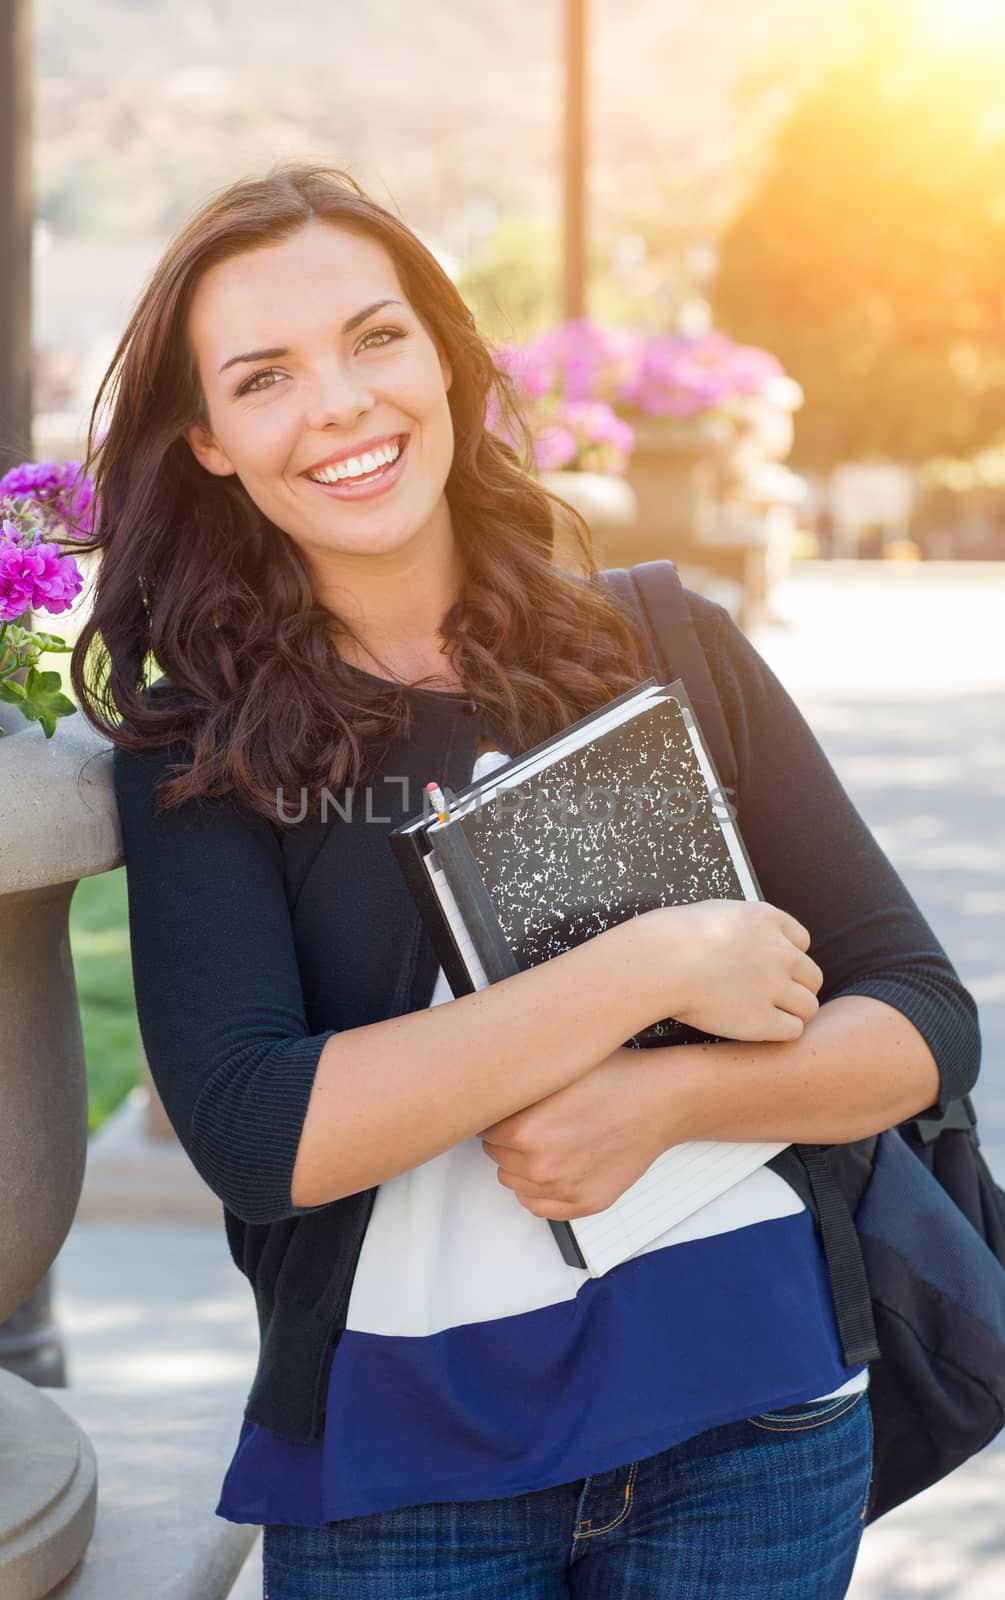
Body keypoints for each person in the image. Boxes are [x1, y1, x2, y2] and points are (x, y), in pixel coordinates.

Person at [70, 163, 980, 1599]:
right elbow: (258, 1134)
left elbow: (921, 1024)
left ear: (445, 356)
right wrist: (649, 971)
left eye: (375, 339)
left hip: (753, 1414)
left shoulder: (668, 642)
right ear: (209, 444)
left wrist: (666, 1098)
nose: (342, 405)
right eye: (265, 378)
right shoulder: (203, 743)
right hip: (398, 1470)